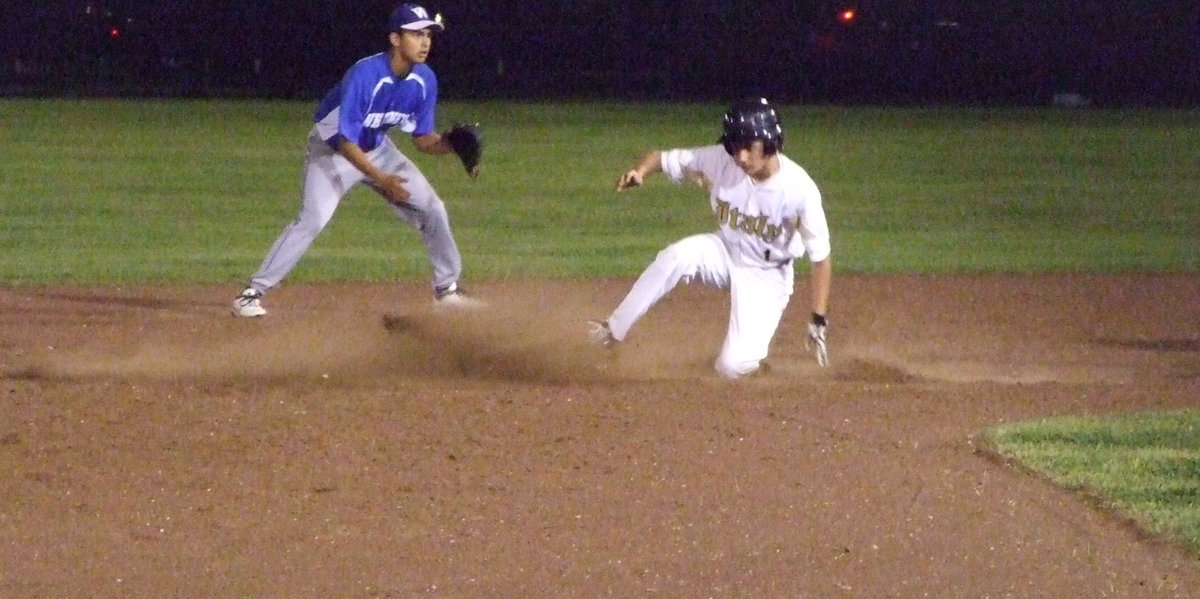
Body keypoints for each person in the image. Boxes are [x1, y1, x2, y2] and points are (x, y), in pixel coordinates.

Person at [232, 3, 481, 317]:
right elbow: (347, 142)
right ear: (395, 38)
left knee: (433, 208)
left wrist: (451, 146)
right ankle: (251, 294)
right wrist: (382, 178)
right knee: (312, 219)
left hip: (377, 148)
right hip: (333, 152)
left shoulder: (424, 80)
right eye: (417, 34)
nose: (426, 41)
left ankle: (447, 291)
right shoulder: (365, 75)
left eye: (429, 34)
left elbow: (423, 140)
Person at [589, 97, 832, 378]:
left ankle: (750, 364)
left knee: (731, 368)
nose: (740, 157)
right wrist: (640, 171)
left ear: (769, 142)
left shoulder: (799, 190)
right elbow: (660, 157)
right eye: (734, 146)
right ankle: (611, 331)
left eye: (748, 147)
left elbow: (821, 259)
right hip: (725, 250)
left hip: (767, 275)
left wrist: (818, 319)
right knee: (677, 256)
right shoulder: (721, 160)